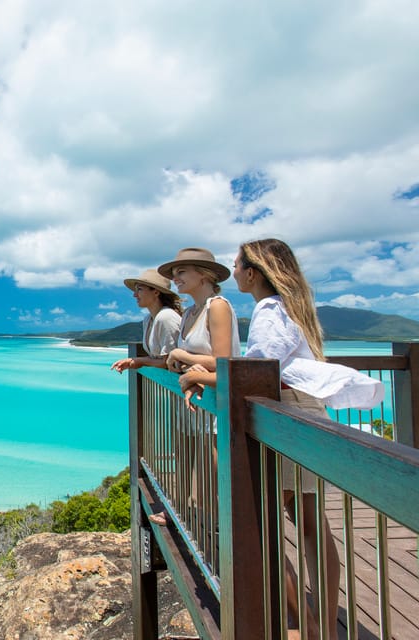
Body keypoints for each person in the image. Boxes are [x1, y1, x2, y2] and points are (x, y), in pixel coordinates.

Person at [234, 238, 383, 640]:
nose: (233, 273)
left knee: (259, 524)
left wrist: (199, 375)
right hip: (307, 410)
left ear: (253, 272)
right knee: (312, 526)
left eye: (237, 266)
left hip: (285, 415)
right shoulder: (293, 307)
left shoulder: (269, 310)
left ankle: (307, 625)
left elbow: (260, 369)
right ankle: (325, 628)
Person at [151, 248, 241, 527]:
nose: (175, 278)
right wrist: (185, 365)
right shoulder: (190, 313)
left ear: (204, 274)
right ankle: (203, 534)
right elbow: (183, 361)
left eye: (181, 272)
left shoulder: (217, 306)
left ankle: (222, 544)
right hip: (195, 404)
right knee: (197, 483)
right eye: (174, 273)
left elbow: (225, 362)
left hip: (215, 407)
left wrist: (183, 357)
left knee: (207, 489)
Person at [111, 269, 182, 373]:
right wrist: (135, 361)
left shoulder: (166, 317)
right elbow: (158, 358)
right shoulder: (148, 319)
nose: (135, 295)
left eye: (139, 289)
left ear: (156, 292)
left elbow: (169, 361)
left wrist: (139, 361)